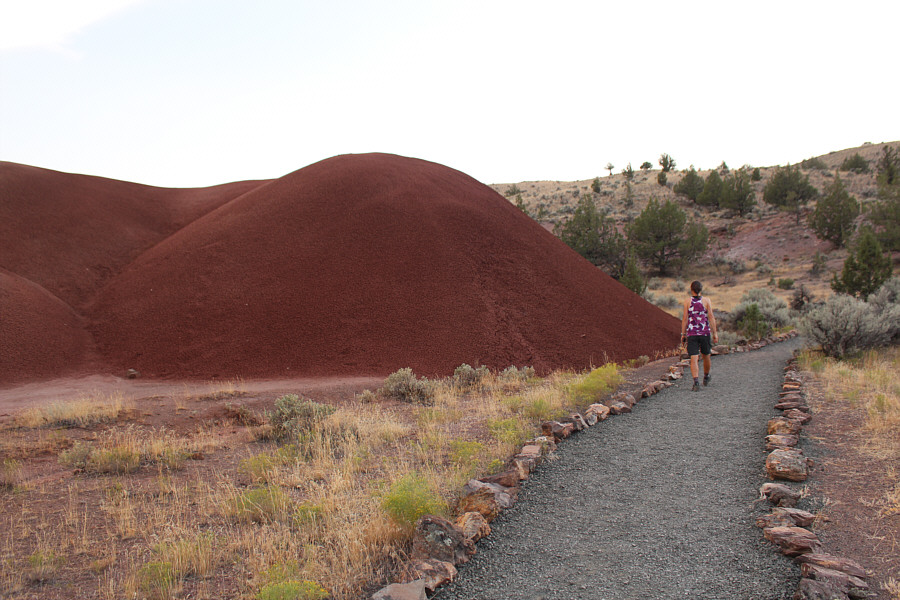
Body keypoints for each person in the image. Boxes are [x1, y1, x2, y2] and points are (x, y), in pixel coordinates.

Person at [681, 280, 718, 392]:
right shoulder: (706, 301)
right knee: (706, 355)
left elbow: (685, 319)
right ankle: (706, 376)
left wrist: (683, 334)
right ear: (701, 289)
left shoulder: (687, 301)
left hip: (692, 333)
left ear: (691, 289)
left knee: (694, 357)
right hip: (704, 332)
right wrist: (715, 333)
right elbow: (711, 317)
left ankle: (696, 382)